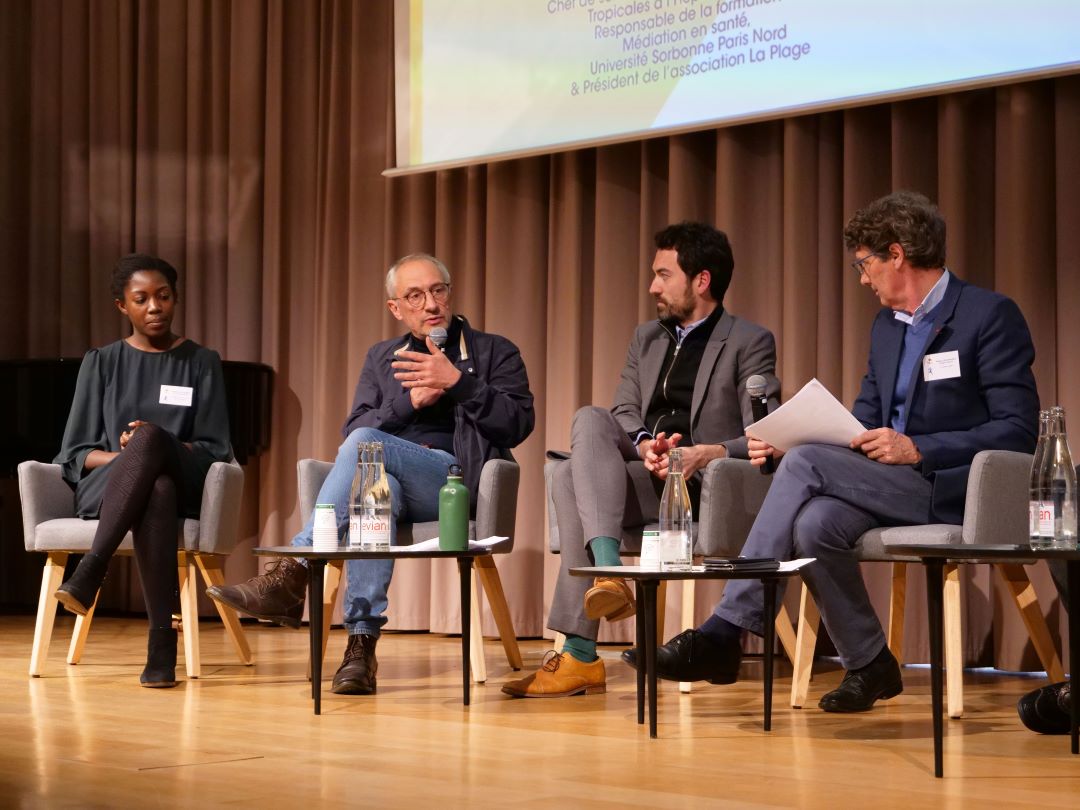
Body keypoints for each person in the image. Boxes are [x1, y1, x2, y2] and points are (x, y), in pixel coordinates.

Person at [623, 191, 1040, 712]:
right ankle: (870, 663)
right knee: (815, 524)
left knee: (808, 467)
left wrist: (919, 448)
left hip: (953, 487)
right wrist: (789, 441)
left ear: (897, 255)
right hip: (888, 481)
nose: (862, 279)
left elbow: (1018, 431)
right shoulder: (887, 327)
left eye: (865, 265)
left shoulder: (987, 315)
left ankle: (726, 630)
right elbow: (861, 423)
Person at [207, 253, 534, 695]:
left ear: (449, 294)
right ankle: (360, 649)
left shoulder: (494, 350)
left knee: (365, 448)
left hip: (453, 481)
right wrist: (410, 403)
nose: (430, 303)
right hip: (394, 482)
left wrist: (458, 382)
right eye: (415, 296)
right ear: (395, 308)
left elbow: (518, 423)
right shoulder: (383, 357)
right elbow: (353, 426)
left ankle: (294, 569)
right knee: (371, 491)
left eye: (438, 291)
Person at [502, 221, 780, 698]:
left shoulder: (748, 340)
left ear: (701, 280)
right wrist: (646, 442)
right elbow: (624, 410)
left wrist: (707, 452)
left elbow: (765, 432)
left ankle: (582, 657)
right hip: (646, 471)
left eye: (663, 274)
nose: (653, 286)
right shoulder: (646, 337)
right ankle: (609, 572)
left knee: (570, 478)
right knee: (590, 418)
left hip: (702, 485)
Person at [53, 254, 233, 688]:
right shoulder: (101, 362)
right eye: (142, 299)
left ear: (175, 299)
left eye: (163, 296)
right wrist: (134, 459)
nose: (155, 307)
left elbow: (215, 448)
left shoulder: (200, 362)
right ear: (123, 306)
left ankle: (91, 569)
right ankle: (160, 647)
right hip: (112, 484)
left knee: (152, 440)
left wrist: (153, 446)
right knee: (157, 487)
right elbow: (76, 454)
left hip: (189, 472)